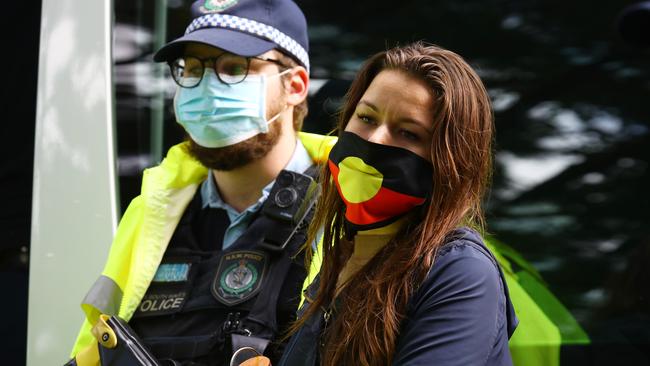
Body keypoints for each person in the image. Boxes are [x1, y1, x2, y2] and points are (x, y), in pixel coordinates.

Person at [68, 0, 337, 365]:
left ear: (295, 86)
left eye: (233, 68)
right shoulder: (155, 211)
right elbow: (96, 351)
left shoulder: (343, 208)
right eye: (192, 69)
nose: (207, 87)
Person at [279, 42, 518, 366]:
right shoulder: (343, 253)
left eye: (408, 133)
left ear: (449, 163)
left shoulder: (460, 272)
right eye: (366, 117)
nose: (375, 140)